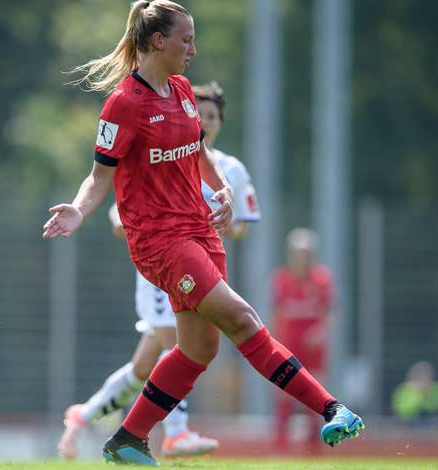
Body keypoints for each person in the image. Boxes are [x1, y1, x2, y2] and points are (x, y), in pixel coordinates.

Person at [43, 1, 363, 465]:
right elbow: (99, 176)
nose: (193, 49)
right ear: (158, 41)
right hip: (160, 242)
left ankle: (127, 440)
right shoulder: (124, 103)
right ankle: (331, 408)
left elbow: (199, 153)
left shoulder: (182, 91)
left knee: (199, 348)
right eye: (185, 39)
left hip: (201, 230)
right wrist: (77, 209)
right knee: (242, 320)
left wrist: (223, 189)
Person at [57, 81, 261, 460]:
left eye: (214, 116)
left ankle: (83, 416)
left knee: (143, 369)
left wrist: (222, 220)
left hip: (204, 265)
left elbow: (243, 224)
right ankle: (177, 433)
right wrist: (122, 221)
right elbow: (122, 199)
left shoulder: (229, 168)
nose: (207, 122)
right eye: (201, 114)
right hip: (163, 268)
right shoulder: (161, 150)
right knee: (176, 345)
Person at [271, 228, 334, 451]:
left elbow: (329, 312)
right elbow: (277, 313)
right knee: (284, 392)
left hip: (313, 348)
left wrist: (320, 333)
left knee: (315, 392)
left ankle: (313, 445)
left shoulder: (321, 279)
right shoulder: (282, 279)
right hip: (290, 344)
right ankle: (281, 445)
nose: (302, 258)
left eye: (306, 253)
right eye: (298, 253)